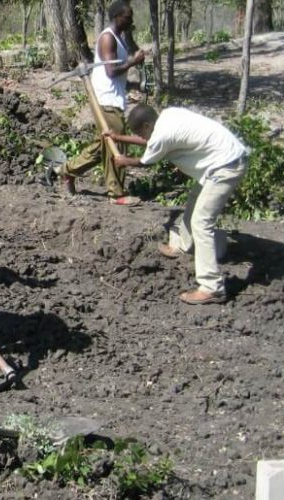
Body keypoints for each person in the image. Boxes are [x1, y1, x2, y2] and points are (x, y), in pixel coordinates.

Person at [107, 104, 249, 305]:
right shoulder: (168, 116)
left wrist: (123, 161)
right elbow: (150, 141)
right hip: (223, 160)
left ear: (148, 125)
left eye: (140, 132)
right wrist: (118, 138)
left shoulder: (161, 136)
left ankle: (212, 287)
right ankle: (182, 246)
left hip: (225, 167)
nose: (143, 137)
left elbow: (146, 160)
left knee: (202, 222)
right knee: (194, 200)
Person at [50, 0, 146, 206]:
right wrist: (133, 62)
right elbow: (111, 71)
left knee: (100, 146)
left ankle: (66, 171)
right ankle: (116, 193)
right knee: (116, 145)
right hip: (106, 100)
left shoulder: (118, 39)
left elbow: (111, 73)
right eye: (128, 17)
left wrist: (130, 85)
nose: (131, 21)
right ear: (117, 17)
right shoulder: (107, 39)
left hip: (113, 97)